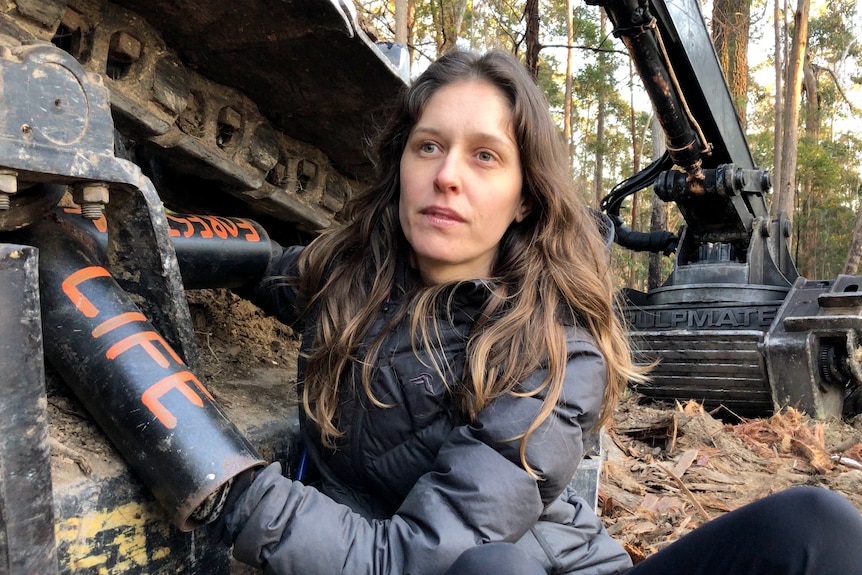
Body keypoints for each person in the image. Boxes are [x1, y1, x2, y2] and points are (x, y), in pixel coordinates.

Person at [210, 49, 862, 575]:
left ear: (524, 198)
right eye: (429, 146)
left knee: (815, 524)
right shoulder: (350, 278)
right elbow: (261, 264)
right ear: (402, 166)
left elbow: (413, 558)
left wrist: (224, 486)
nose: (448, 176)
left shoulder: (555, 346)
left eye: (485, 155)